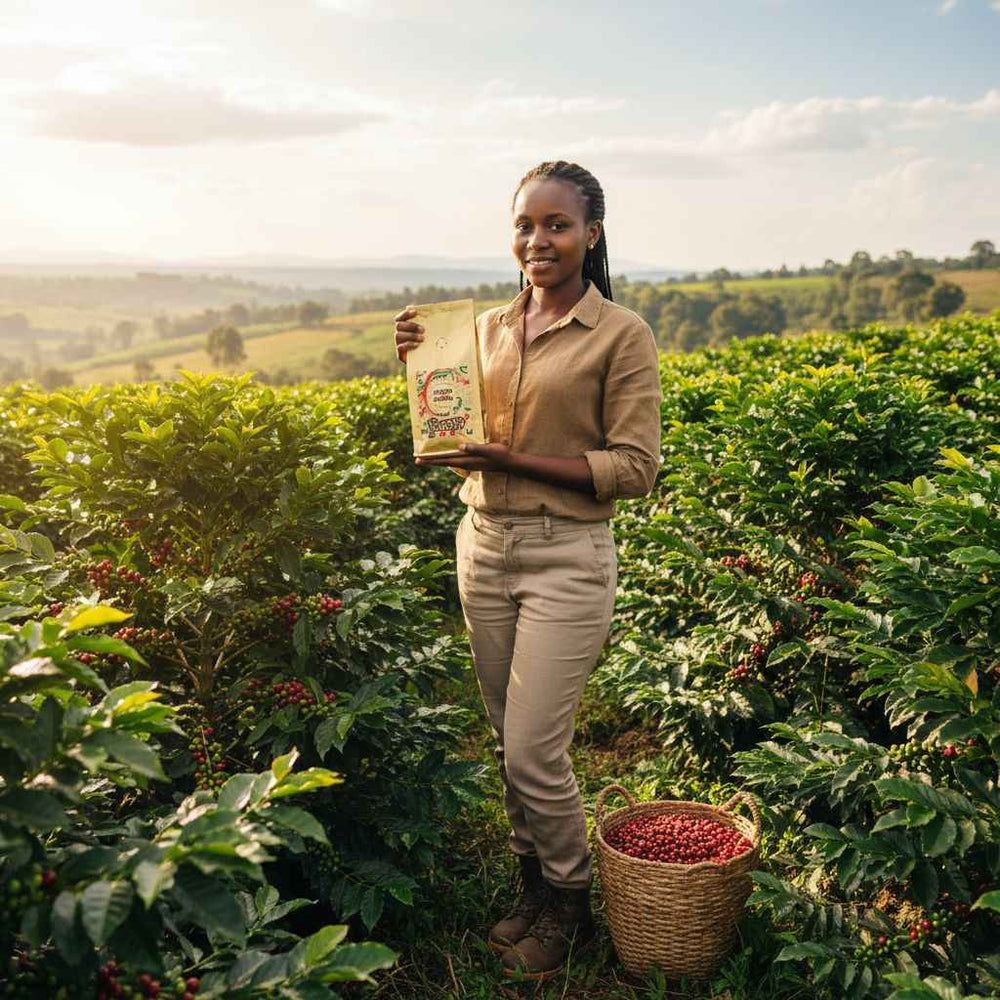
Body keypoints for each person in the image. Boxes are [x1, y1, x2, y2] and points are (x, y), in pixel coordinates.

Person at [393, 160, 662, 983]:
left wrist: (514, 458)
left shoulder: (621, 335)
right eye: (524, 225)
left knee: (536, 750)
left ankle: (572, 906)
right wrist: (414, 370)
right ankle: (534, 886)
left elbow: (635, 467)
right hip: (484, 544)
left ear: (592, 234)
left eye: (556, 225)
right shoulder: (479, 329)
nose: (537, 240)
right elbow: (454, 445)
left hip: (566, 557)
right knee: (509, 740)